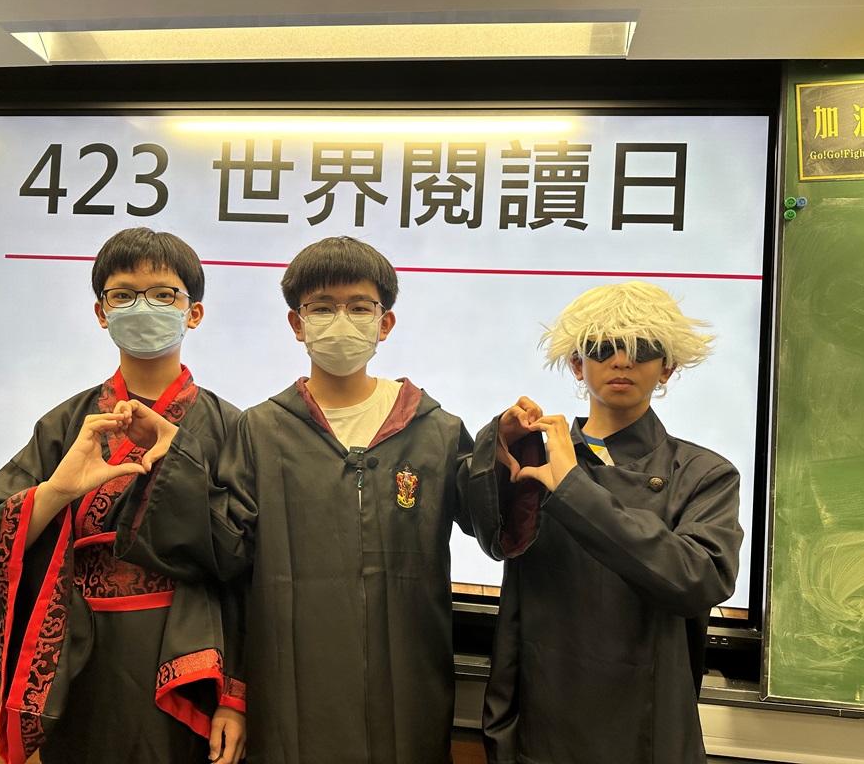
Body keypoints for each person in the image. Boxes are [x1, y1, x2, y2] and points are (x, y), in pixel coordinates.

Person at [0, 227, 251, 764]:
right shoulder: (67, 424)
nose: (142, 307)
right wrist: (56, 491)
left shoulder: (232, 427)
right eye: (123, 295)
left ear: (194, 313)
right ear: (101, 313)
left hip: (189, 659)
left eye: (163, 294)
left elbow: (250, 569)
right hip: (82, 655)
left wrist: (235, 698)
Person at [471, 281, 744, 764]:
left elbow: (698, 579)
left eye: (642, 348)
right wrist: (494, 450)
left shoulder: (705, 474)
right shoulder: (534, 460)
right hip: (539, 731)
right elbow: (481, 531)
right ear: (578, 364)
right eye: (602, 347)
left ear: (668, 366)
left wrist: (573, 489)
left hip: (650, 737)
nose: (621, 361)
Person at [234, 236, 483, 763]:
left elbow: (496, 527)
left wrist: (510, 455)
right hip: (291, 688)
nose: (340, 321)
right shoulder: (259, 431)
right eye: (322, 307)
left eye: (359, 307)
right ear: (297, 323)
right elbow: (224, 562)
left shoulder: (436, 430)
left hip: (408, 686)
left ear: (384, 322)